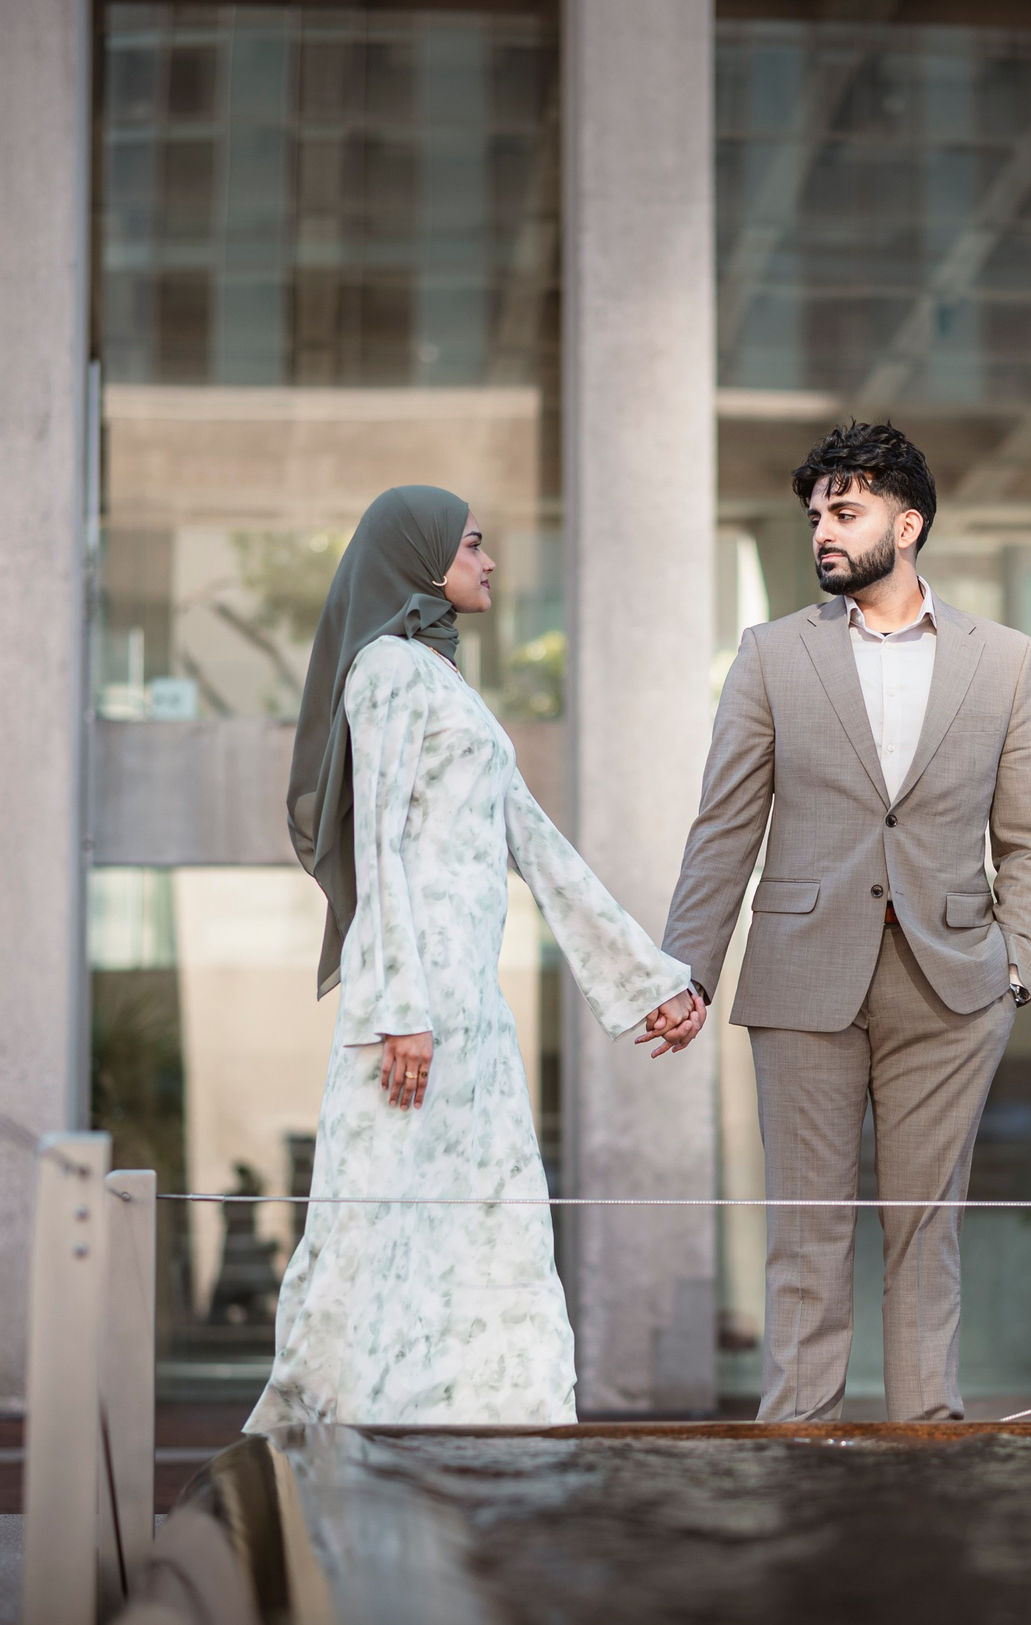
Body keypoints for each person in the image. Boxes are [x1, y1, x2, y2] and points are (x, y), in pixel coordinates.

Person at [250, 485, 706, 1429]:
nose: (489, 561)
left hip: (471, 1015)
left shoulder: (443, 679)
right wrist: (399, 1011)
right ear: (419, 559)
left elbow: (538, 846)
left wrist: (651, 982)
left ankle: (500, 1432)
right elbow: (375, 844)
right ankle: (320, 1442)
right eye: (471, 545)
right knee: (372, 1232)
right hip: (409, 1018)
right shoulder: (384, 669)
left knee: (494, 1232)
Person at [663, 422, 1031, 1423]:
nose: (823, 534)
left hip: (953, 985)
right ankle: (799, 1458)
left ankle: (927, 1453)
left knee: (926, 1235)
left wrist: (1017, 964)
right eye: (816, 517)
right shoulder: (770, 655)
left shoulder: (1005, 662)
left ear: (907, 523)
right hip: (802, 978)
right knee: (806, 1235)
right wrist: (685, 970)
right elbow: (724, 827)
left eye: (844, 513)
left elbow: (1030, 839)